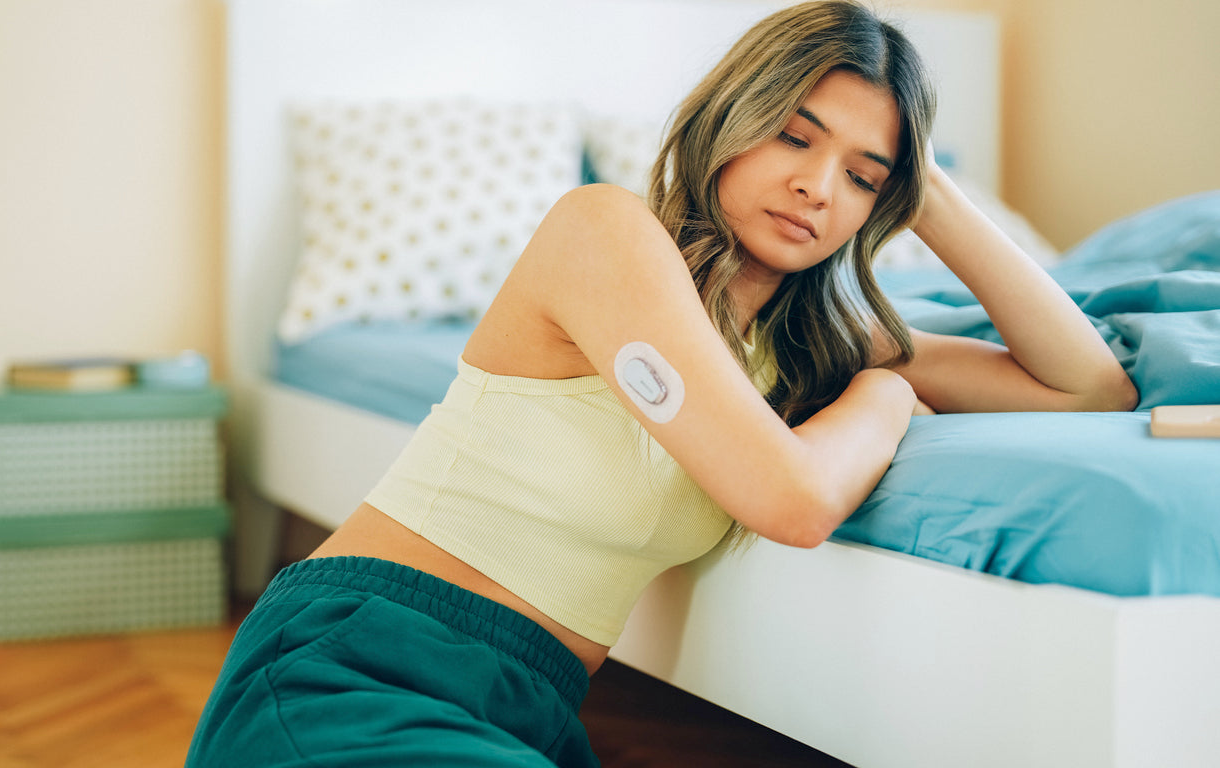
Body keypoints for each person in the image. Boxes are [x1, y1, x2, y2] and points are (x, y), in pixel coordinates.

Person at [187, 2, 1138, 766]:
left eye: (861, 175)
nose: (816, 186)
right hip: (362, 661)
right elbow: (793, 497)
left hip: (532, 704)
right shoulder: (602, 234)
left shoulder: (808, 351)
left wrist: (926, 189)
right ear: (730, 118)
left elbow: (1090, 389)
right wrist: (887, 393)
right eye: (794, 136)